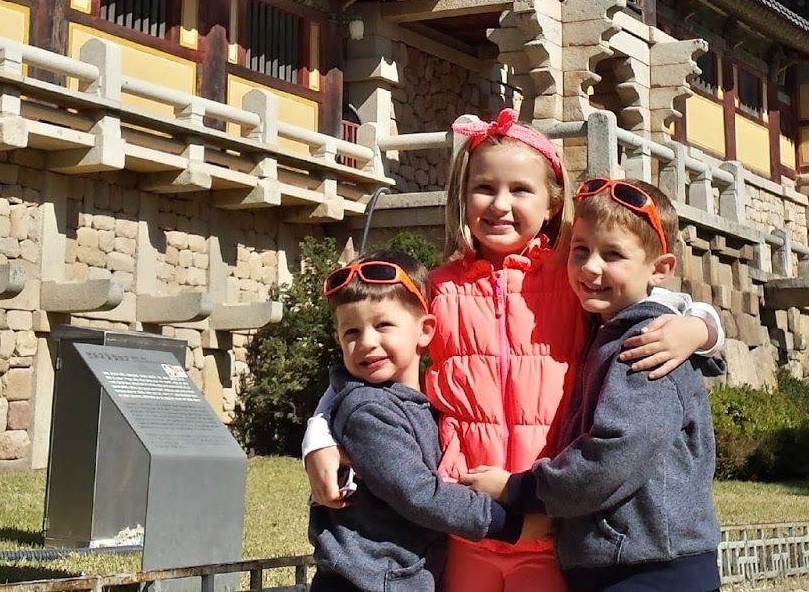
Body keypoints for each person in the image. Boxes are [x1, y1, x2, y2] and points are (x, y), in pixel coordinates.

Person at [306, 109, 724, 592]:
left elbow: (650, 304)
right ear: (462, 197)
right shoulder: (438, 290)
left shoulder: (574, 280)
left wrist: (701, 328)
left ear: (552, 204)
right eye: (484, 188)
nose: (500, 204)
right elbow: (369, 363)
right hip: (466, 518)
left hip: (550, 521)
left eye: (520, 190)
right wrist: (319, 433)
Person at [462, 178, 722, 592]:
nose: (590, 267)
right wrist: (704, 327)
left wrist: (518, 489)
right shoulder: (608, 328)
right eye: (580, 250)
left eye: (612, 254)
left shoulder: (646, 345)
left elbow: (613, 458)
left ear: (660, 269)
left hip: (649, 568)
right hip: (631, 560)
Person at [308, 249, 546, 592]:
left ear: (425, 330)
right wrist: (510, 525)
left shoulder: (424, 401)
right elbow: (419, 494)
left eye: (383, 325)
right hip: (366, 583)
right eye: (351, 332)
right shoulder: (367, 411)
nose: (367, 343)